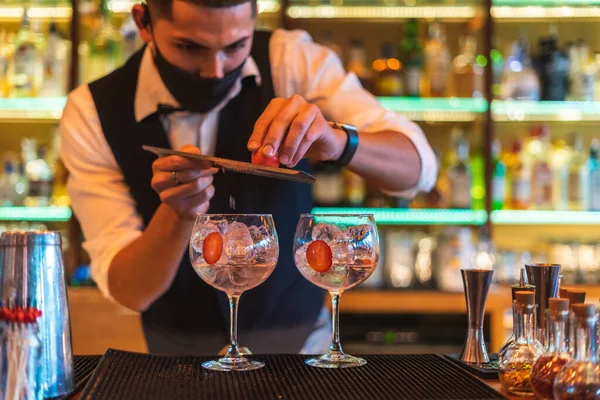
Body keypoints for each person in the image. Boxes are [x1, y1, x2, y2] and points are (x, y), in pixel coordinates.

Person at [59, 0, 438, 356]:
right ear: (143, 22)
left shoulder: (292, 59)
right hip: (174, 361)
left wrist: (336, 141)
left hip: (304, 347)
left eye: (236, 46)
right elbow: (130, 290)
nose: (216, 71)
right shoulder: (93, 110)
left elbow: (419, 169)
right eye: (190, 48)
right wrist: (177, 215)